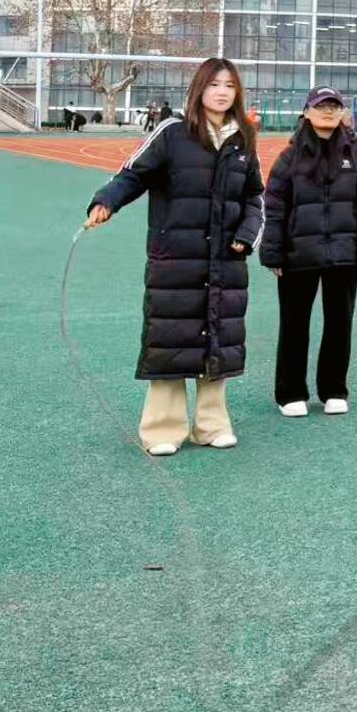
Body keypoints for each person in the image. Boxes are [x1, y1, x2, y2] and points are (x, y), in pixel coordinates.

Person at [83, 58, 264, 456]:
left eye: (229, 85)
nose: (222, 92)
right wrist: (106, 201)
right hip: (175, 259)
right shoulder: (172, 132)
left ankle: (212, 426)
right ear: (199, 88)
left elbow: (255, 198)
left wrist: (247, 235)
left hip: (225, 262)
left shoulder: (243, 140)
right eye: (214, 84)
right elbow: (133, 174)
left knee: (217, 338)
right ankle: (162, 430)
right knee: (170, 339)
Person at [260, 86, 357, 418]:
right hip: (298, 254)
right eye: (321, 106)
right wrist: (272, 252)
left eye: (334, 106)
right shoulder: (289, 157)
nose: (328, 111)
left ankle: (334, 389)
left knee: (340, 323)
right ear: (307, 112)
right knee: (293, 324)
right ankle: (290, 392)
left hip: (343, 253)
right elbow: (274, 206)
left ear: (342, 112)